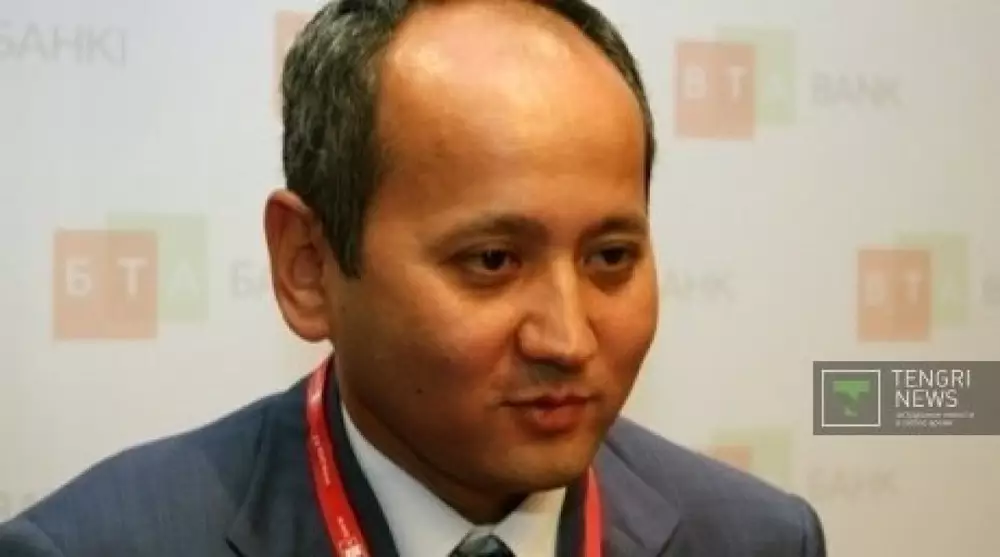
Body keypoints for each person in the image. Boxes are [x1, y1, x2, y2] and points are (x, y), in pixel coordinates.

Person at [0, 0, 827, 555]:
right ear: (308, 266)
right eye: (492, 260)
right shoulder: (96, 545)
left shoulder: (758, 539)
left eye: (610, 257)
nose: (569, 339)